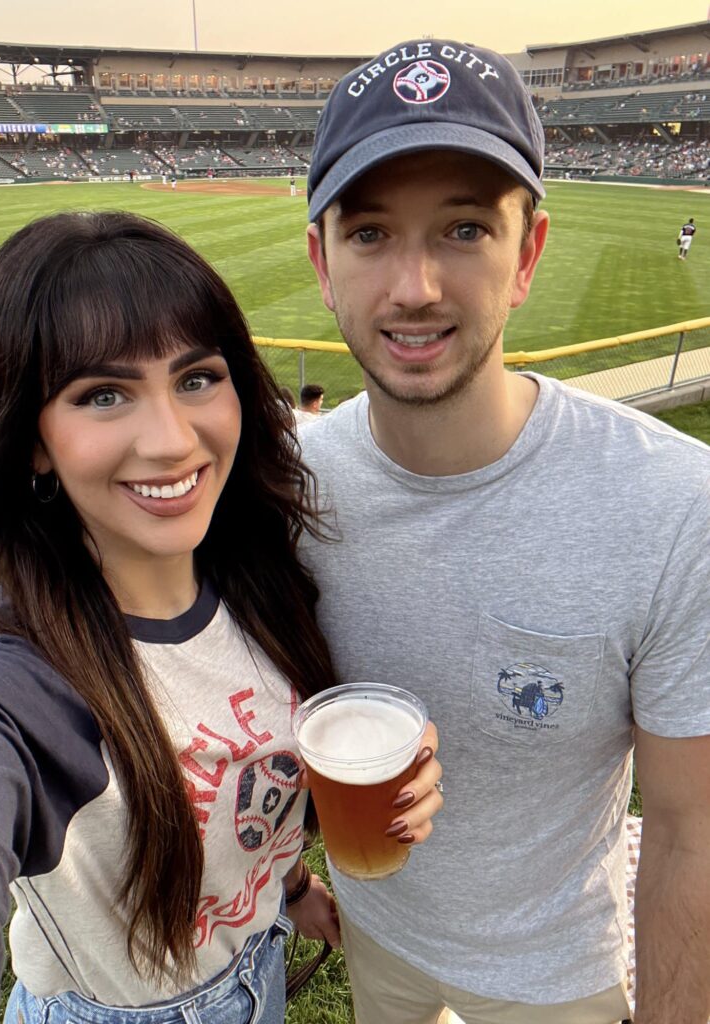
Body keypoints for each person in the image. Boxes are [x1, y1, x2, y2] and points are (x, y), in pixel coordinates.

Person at [0, 211, 442, 1024]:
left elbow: (235, 789)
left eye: (195, 378)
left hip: (257, 973)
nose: (172, 439)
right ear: (34, 439)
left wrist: (287, 887)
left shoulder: (262, 577)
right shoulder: (4, 683)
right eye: (103, 394)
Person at [299, 37, 710, 1024]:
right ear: (321, 259)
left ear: (527, 254)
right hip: (375, 935)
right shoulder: (288, 483)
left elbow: (691, 828)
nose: (415, 287)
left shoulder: (672, 502)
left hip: (556, 978)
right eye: (370, 235)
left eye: (465, 229)